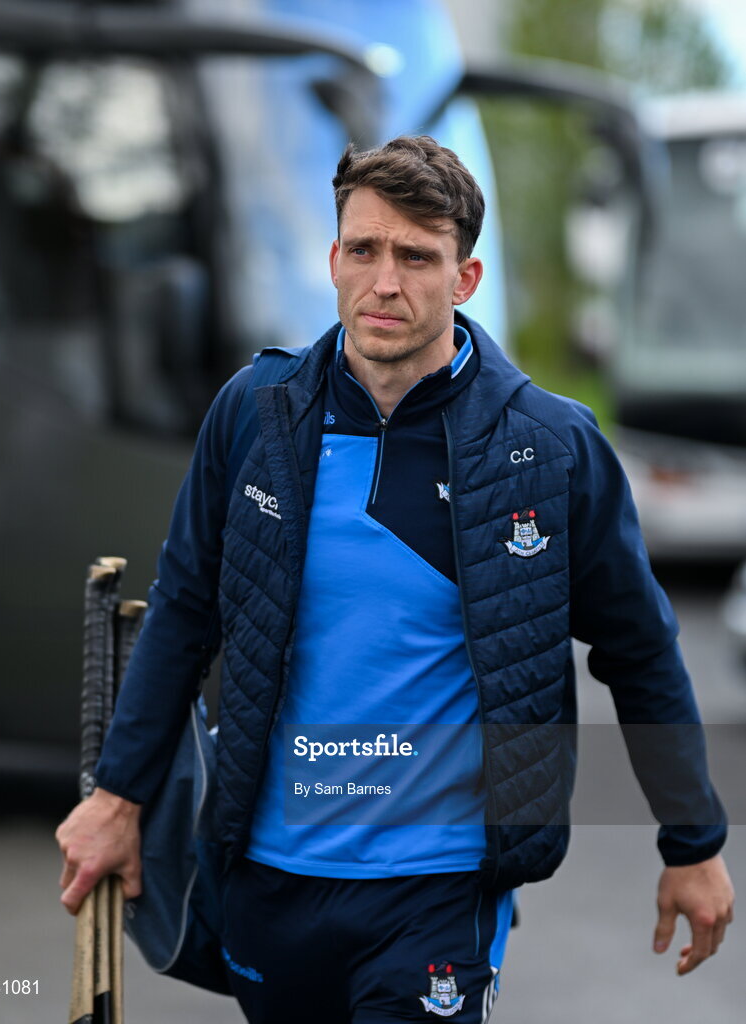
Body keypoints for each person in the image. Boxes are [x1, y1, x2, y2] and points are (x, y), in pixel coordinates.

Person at [56, 135, 734, 1022]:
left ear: (464, 278)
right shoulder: (255, 415)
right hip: (269, 876)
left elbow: (638, 649)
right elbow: (183, 614)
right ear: (333, 260)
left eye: (416, 257)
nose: (384, 282)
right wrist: (116, 800)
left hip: (439, 890)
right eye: (364, 250)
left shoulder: (551, 446)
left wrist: (692, 841)